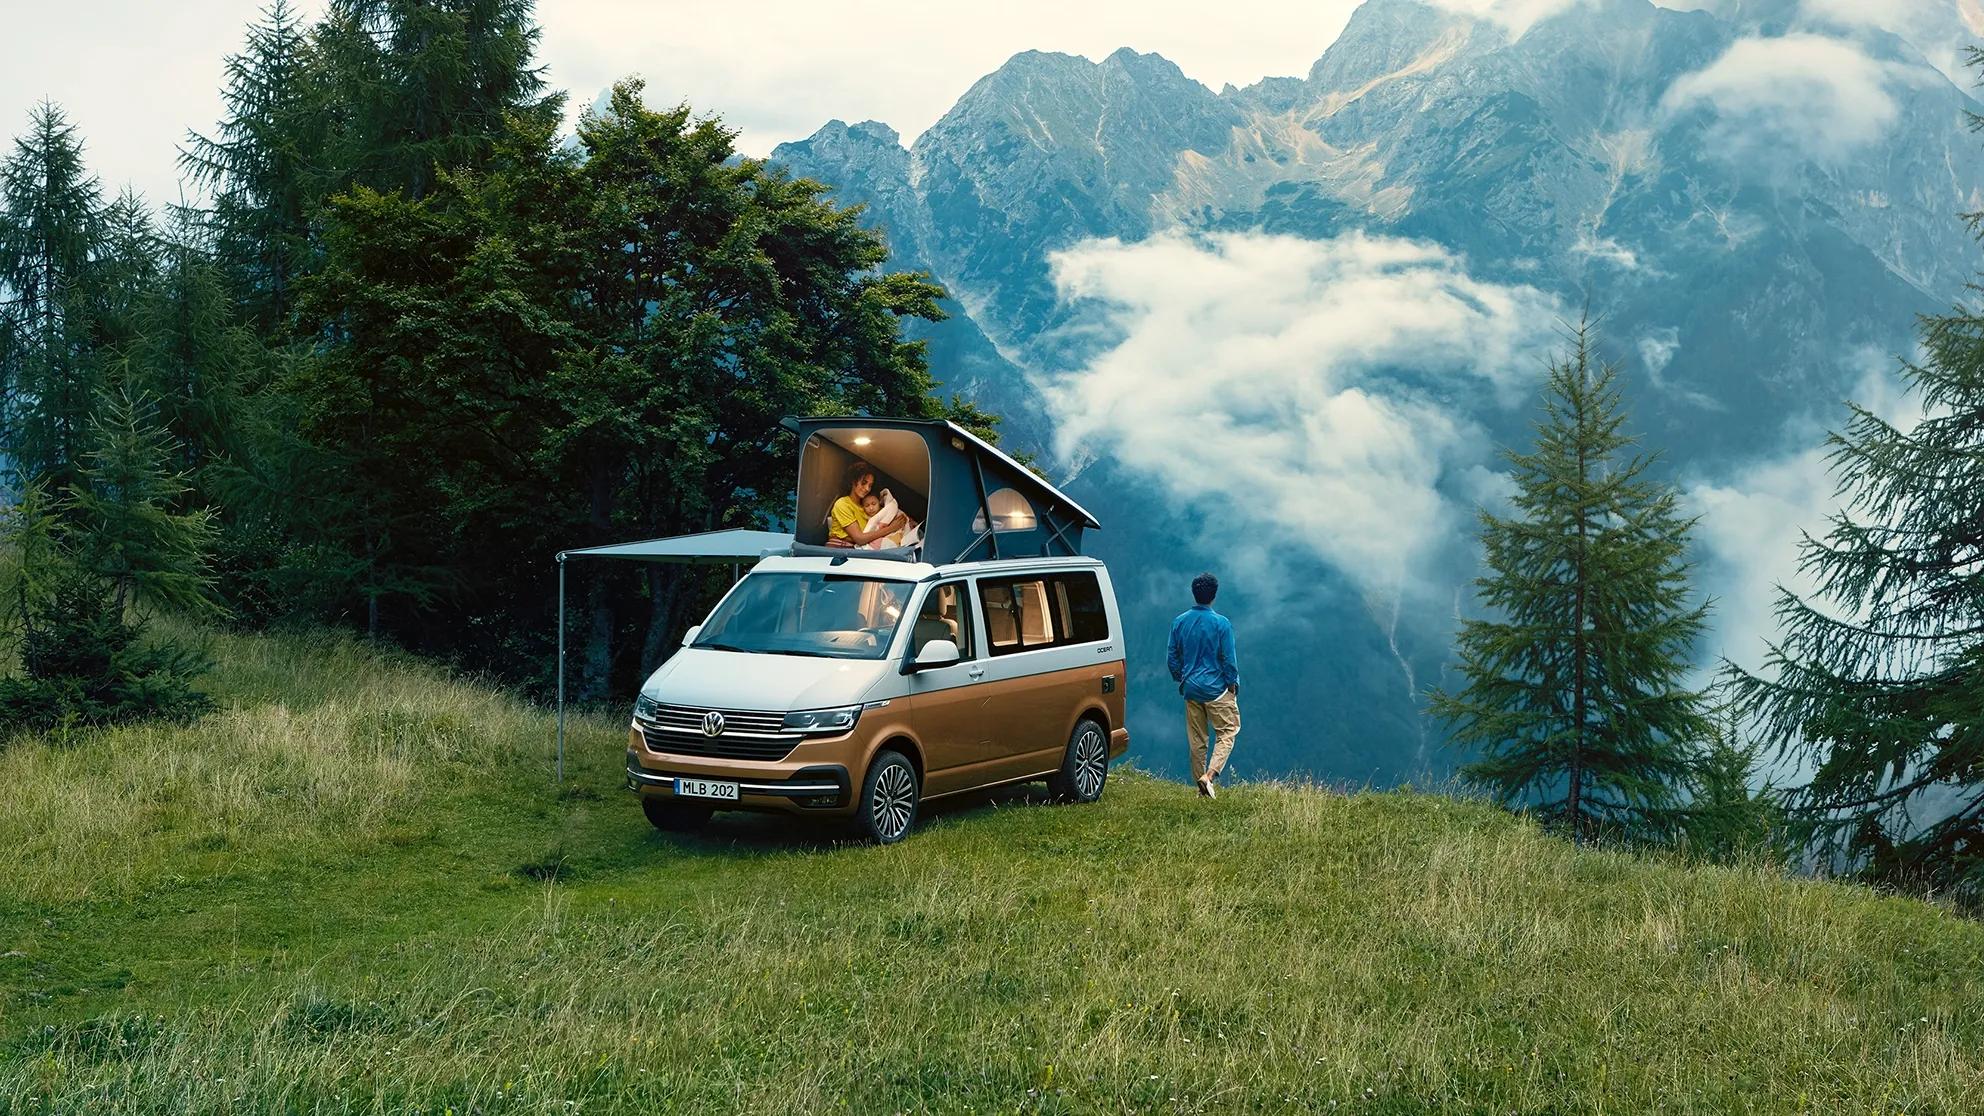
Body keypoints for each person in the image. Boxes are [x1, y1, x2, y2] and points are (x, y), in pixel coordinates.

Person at [1167, 571, 1240, 799]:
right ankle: (1208, 777)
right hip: (1216, 689)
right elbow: (1228, 659)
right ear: (1214, 596)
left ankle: (1201, 791)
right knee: (1227, 731)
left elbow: (1172, 657)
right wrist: (1232, 683)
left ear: (1194, 593)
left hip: (1191, 688)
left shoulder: (1179, 622)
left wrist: (1181, 677)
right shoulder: (1221, 624)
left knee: (1197, 741)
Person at [827, 460, 904, 547]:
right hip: (839, 549)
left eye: (870, 485)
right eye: (864, 483)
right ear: (853, 481)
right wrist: (891, 528)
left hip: (857, 549)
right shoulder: (842, 504)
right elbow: (860, 539)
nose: (867, 488)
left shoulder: (866, 508)